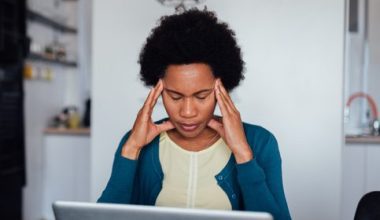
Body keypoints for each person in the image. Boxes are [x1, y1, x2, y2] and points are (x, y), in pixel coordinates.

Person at [98, 8, 291, 220]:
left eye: (201, 96)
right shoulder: (136, 143)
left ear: (222, 89)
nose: (187, 112)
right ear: (158, 91)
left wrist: (243, 153)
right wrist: (131, 149)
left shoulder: (260, 142)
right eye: (175, 96)